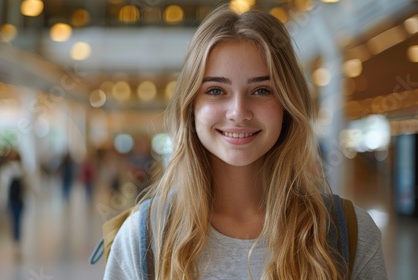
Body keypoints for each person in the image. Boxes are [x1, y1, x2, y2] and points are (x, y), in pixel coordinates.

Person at [104, 5, 387, 280]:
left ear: (287, 106)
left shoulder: (348, 234)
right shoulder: (143, 238)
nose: (238, 112)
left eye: (261, 90)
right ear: (190, 106)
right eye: (216, 90)